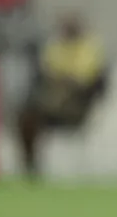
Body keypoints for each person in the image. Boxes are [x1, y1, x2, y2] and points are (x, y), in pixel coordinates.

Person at [17, 15, 108, 178]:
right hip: (51, 105)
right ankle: (31, 166)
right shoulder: (56, 47)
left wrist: (64, 79)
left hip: (76, 106)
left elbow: (84, 78)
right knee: (27, 118)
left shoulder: (88, 48)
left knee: (61, 93)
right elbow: (47, 72)